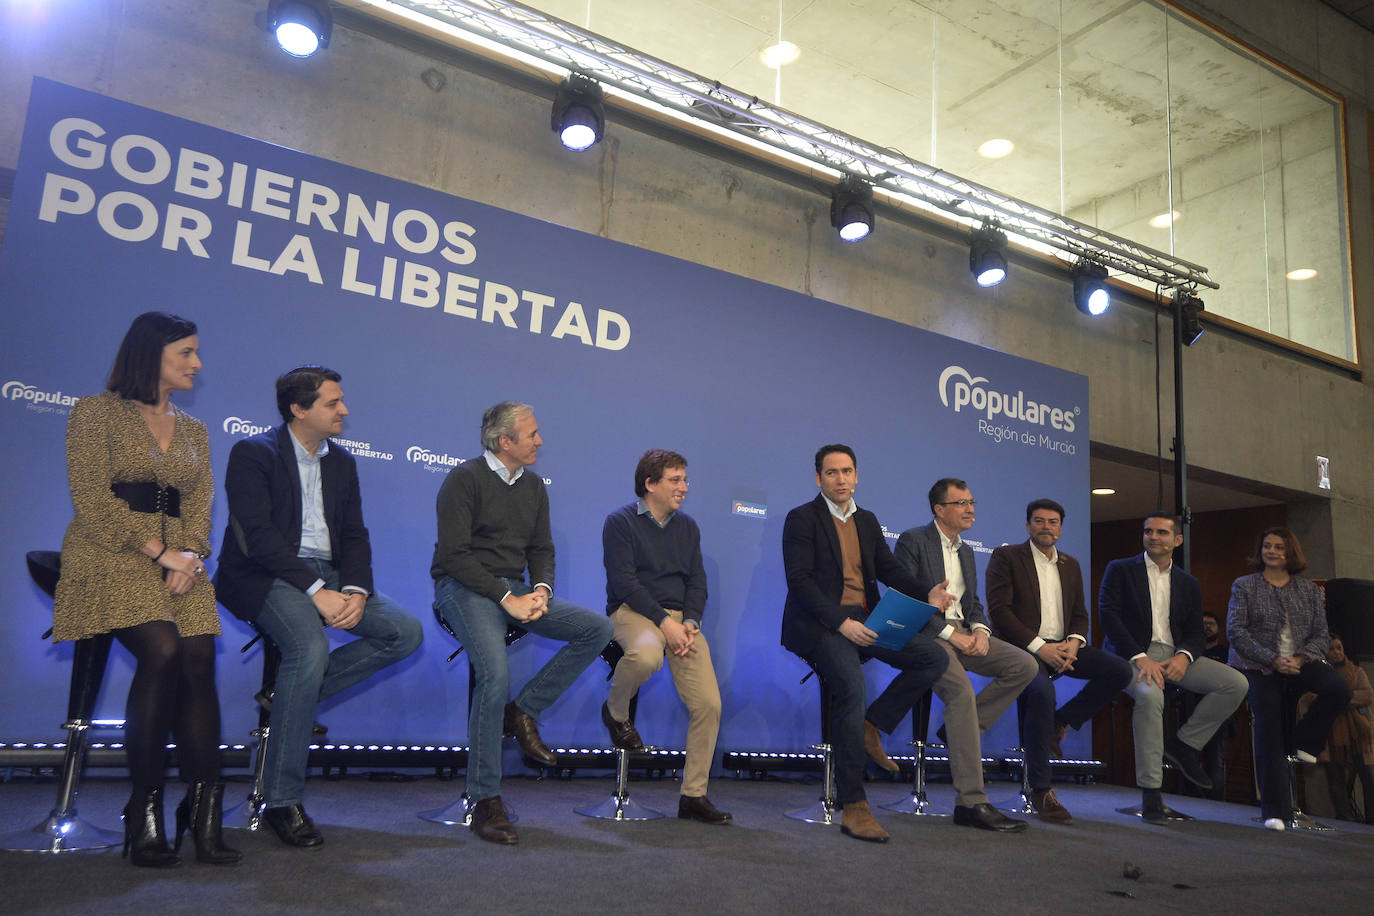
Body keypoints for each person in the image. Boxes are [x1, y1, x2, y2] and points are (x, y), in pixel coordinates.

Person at [53, 312, 238, 867]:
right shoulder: (94, 412)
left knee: (199, 654)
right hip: (107, 553)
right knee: (163, 649)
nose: (196, 364)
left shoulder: (196, 430)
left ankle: (204, 807)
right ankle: (146, 806)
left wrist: (191, 557)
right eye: (185, 352)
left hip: (180, 560)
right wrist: (159, 551)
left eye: (196, 353)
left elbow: (201, 504)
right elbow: (90, 498)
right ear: (149, 353)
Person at [215, 366, 423, 848]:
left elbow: (354, 535)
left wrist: (355, 590)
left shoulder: (342, 463)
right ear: (298, 409)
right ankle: (281, 800)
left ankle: (289, 697)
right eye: (333, 403)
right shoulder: (254, 453)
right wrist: (317, 591)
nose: (344, 410)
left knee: (404, 632)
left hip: (329, 575)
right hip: (265, 573)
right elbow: (258, 537)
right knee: (308, 650)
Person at [432, 401, 613, 845]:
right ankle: (485, 800)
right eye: (532, 434)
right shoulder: (464, 479)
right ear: (504, 441)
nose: (540, 441)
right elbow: (454, 556)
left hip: (515, 591)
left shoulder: (534, 487)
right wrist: (506, 597)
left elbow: (542, 550)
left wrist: (542, 591)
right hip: (464, 588)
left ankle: (524, 710)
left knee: (598, 629)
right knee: (494, 675)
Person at [781, 445, 951, 843]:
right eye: (831, 473)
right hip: (820, 625)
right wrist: (841, 623)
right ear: (818, 478)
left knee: (931, 657)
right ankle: (854, 805)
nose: (841, 479)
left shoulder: (868, 520)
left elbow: (889, 570)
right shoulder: (801, 518)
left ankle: (871, 727)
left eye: (847, 471)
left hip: (868, 618)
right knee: (851, 686)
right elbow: (800, 582)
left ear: (857, 475)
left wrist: (927, 593)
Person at [894, 478, 1038, 832]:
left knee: (1024, 664)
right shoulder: (914, 540)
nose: (970, 508)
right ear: (939, 509)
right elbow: (905, 601)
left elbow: (973, 602)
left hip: (964, 633)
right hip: (929, 635)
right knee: (961, 694)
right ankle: (972, 802)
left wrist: (980, 631)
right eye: (961, 503)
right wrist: (949, 635)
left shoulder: (967, 550)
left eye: (972, 501)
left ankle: (960, 729)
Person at [602, 450, 730, 825]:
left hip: (680, 621)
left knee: (709, 704)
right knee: (646, 657)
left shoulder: (687, 527)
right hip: (633, 611)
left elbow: (696, 581)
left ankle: (693, 796)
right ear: (650, 484)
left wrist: (690, 621)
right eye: (676, 480)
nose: (684, 488)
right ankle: (615, 712)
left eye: (685, 480)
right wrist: (664, 623)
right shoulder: (620, 522)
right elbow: (624, 582)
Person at [985, 498, 1132, 824]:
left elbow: (1080, 615)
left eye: (1052, 522)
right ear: (1028, 526)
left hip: (1064, 647)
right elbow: (999, 612)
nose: (1046, 527)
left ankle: (1060, 722)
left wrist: (1074, 644)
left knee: (1119, 670)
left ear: (1061, 528)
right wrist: (1041, 648)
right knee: (1041, 693)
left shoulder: (1071, 564)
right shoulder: (1006, 556)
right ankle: (1041, 789)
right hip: (1021, 648)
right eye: (1039, 521)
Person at [1098, 514, 1247, 823]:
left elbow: (1195, 631)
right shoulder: (1120, 570)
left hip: (1173, 656)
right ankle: (1152, 795)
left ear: (1177, 540)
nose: (1154, 536)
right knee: (1151, 698)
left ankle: (1184, 745)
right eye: (1148, 531)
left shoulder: (1188, 582)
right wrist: (1140, 657)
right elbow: (1108, 616)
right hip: (1129, 656)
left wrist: (1184, 657)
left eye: (1162, 532)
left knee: (1235, 683)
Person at [1226, 526, 1350, 830]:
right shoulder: (1245, 585)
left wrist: (1301, 658)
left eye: (1279, 547)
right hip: (1258, 665)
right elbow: (1236, 632)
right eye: (1267, 546)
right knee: (1269, 725)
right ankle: (1275, 811)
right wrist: (1273, 659)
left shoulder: (1308, 590)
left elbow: (1321, 633)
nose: (1272, 551)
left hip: (1300, 661)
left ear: (1290, 552)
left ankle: (1305, 742)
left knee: (1338, 689)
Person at [1308, 635, 1374, 823]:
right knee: (1336, 780)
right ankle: (1345, 820)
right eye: (1332, 649)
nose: (1337, 652)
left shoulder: (1357, 671)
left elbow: (1367, 696)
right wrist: (1345, 698)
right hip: (1331, 734)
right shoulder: (1318, 675)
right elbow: (1312, 699)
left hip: (1359, 733)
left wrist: (1336, 699)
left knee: (1369, 779)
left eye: (1339, 648)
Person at [1178, 613, 1234, 800]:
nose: (1207, 627)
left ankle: (1215, 804)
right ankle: (1188, 800)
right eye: (1203, 624)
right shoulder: (1188, 655)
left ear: (1219, 628)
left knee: (1215, 763)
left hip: (1219, 718)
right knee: (1187, 759)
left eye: (1211, 623)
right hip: (1188, 713)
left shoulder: (1226, 653)